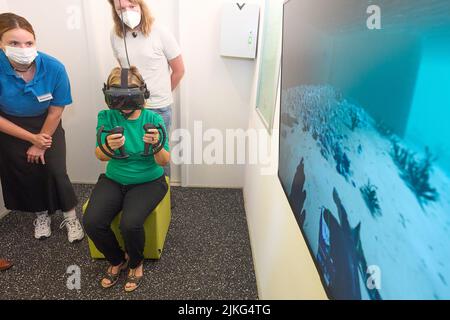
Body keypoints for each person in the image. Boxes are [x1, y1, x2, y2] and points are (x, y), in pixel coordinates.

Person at [83, 66, 170, 292]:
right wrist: (108, 147)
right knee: (92, 222)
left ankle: (136, 263)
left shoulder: (153, 118)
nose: (124, 102)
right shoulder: (106, 116)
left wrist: (156, 145)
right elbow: (100, 156)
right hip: (114, 178)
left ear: (141, 93)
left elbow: (164, 161)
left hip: (148, 181)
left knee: (130, 225)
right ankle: (116, 259)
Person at [0, 13, 84, 243]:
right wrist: (31, 139)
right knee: (28, 173)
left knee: (56, 171)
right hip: (10, 127)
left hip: (47, 123)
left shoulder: (54, 67)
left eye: (29, 43)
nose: (23, 48)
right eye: (14, 43)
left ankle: (70, 216)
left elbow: (56, 110)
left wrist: (41, 141)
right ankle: (41, 215)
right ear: (1, 44)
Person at [108, 0, 185, 177]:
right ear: (115, 11)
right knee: (134, 150)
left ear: (141, 6)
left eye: (132, 6)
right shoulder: (115, 35)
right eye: (121, 8)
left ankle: (163, 194)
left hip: (158, 106)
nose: (127, 11)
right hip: (128, 107)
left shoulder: (160, 32)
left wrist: (161, 93)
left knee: (159, 152)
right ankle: (138, 191)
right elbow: (124, 69)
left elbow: (179, 70)